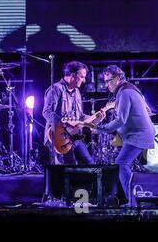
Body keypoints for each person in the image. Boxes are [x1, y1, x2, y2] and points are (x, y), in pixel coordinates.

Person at [94, 65, 155, 204]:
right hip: (136, 134)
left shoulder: (124, 92)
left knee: (121, 163)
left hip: (138, 135)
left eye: (108, 81)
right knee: (123, 162)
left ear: (118, 78)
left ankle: (133, 202)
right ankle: (133, 199)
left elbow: (121, 119)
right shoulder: (130, 88)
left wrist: (100, 128)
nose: (106, 85)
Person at [42, 61, 95, 164]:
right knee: (67, 169)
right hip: (58, 138)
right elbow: (47, 112)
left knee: (90, 165)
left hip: (74, 137)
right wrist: (65, 123)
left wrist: (95, 118)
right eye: (82, 77)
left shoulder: (77, 92)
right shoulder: (55, 89)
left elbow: (80, 116)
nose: (84, 81)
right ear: (73, 75)